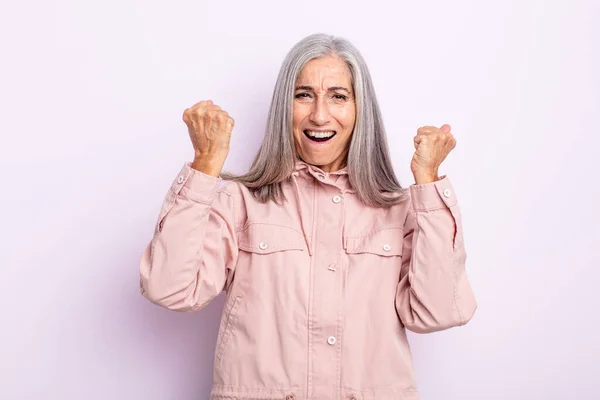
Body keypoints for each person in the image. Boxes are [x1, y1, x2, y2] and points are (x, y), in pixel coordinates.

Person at [139, 32, 477, 400]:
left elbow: (438, 312)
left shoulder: (400, 210)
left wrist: (427, 183)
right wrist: (205, 166)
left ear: (360, 109)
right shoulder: (241, 202)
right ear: (285, 106)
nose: (319, 114)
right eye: (303, 95)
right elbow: (169, 289)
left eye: (338, 96)